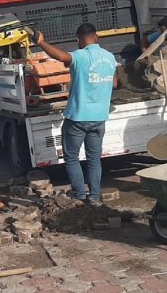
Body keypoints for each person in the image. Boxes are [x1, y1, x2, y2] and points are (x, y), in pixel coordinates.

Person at [33, 23, 117, 204]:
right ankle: (94, 197)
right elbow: (115, 83)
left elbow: (60, 56)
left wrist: (41, 42)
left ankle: (79, 195)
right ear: (97, 37)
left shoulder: (80, 56)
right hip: (99, 118)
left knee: (72, 157)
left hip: (78, 118)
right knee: (94, 159)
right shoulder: (110, 57)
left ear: (78, 39)